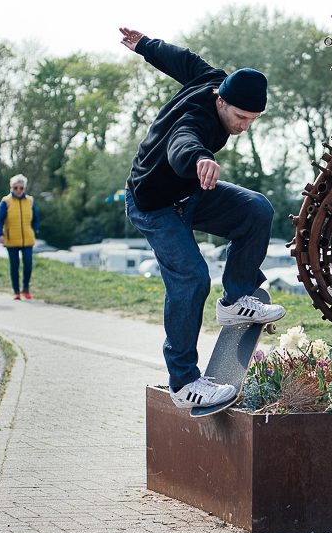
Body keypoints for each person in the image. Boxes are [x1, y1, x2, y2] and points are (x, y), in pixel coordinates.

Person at [120, 27, 285, 411]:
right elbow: (182, 142)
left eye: (253, 119)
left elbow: (182, 59)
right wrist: (199, 158)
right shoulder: (197, 117)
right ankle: (184, 382)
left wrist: (145, 45)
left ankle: (235, 298)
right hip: (153, 206)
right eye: (241, 117)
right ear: (221, 101)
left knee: (256, 208)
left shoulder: (212, 78)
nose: (245, 126)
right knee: (192, 277)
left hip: (188, 195)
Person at [0, 174, 40, 299]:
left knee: (28, 263)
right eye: (16, 188)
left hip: (27, 239)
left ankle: (25, 288)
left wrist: (35, 230)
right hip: (11, 239)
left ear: (24, 188)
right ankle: (16, 291)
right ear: (11, 188)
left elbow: (36, 218)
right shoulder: (6, 201)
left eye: (21, 188)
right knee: (14, 265)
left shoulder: (30, 201)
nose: (18, 190)